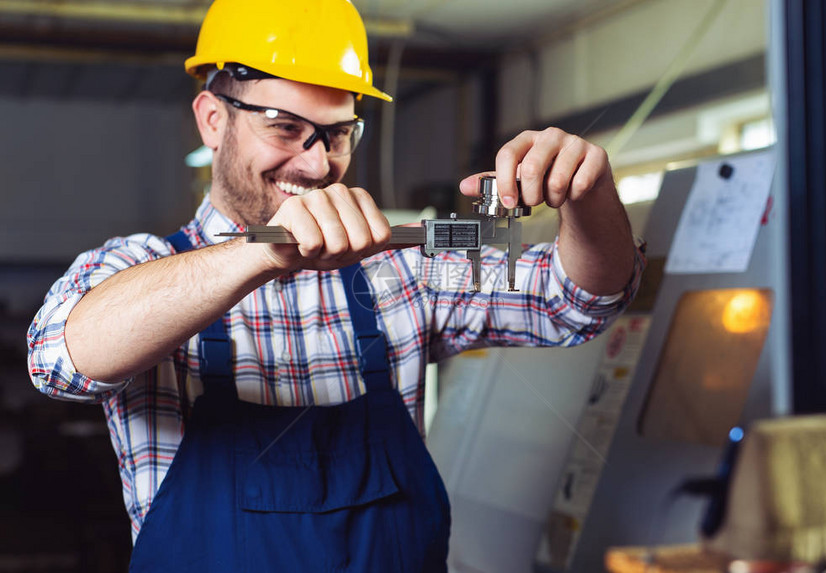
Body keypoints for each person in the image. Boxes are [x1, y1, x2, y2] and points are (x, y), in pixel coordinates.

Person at [27, 0, 644, 571]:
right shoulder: (137, 265)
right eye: (284, 127)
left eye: (338, 133)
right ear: (213, 120)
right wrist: (262, 253)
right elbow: (59, 360)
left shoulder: (401, 268)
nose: (317, 164)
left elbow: (577, 302)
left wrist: (588, 200)